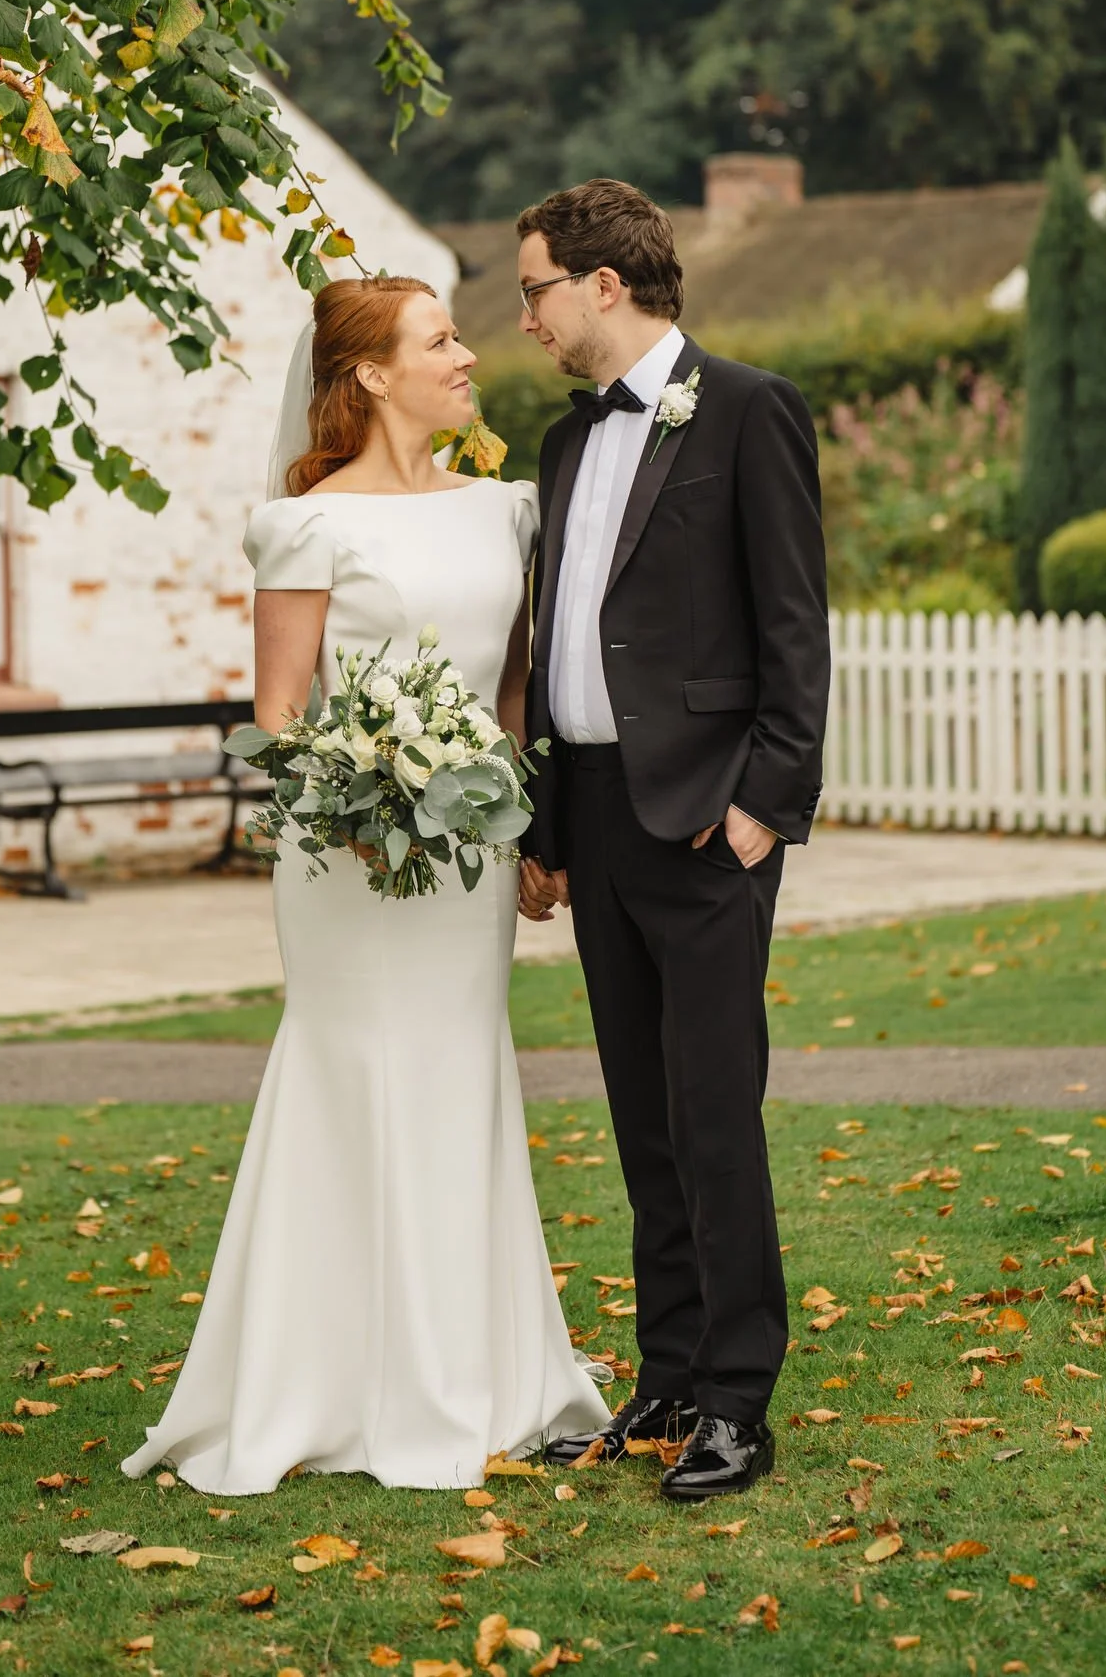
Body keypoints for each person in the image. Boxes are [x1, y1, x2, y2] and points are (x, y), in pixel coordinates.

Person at [120, 274, 608, 1494]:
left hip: (468, 859)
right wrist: (358, 806)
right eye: (440, 340)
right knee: (347, 1076)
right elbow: (281, 715)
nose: (468, 354)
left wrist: (523, 827)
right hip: (346, 859)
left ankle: (481, 1372)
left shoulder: (505, 512)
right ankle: (321, 1382)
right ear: (375, 374)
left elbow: (512, 693)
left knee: (461, 1075)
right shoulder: (309, 527)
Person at [515, 179, 830, 1501]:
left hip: (707, 822)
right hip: (594, 815)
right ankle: (669, 1380)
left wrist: (764, 804)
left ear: (604, 282)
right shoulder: (564, 440)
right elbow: (556, 640)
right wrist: (544, 821)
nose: (524, 316)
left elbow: (795, 625)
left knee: (712, 1114)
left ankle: (739, 1404)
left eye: (534, 288)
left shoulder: (748, 408)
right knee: (643, 1118)